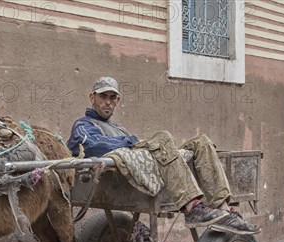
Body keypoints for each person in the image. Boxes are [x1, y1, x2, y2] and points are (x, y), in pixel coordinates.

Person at [68, 77, 259, 234]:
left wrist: (131, 142)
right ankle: (192, 206)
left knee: (201, 142)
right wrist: (130, 142)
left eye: (112, 97)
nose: (108, 102)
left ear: (118, 101)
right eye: (103, 96)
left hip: (144, 162)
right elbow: (92, 147)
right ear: (92, 97)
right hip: (122, 177)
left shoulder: (118, 128)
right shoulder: (83, 125)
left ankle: (224, 209)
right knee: (163, 137)